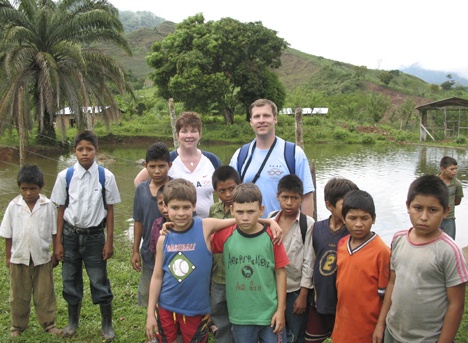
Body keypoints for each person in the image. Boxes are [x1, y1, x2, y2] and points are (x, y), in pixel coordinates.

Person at [146, 179, 283, 343]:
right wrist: (149, 313)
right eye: (175, 208)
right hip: (166, 306)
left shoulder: (205, 225)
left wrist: (269, 221)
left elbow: (240, 219)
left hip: (196, 309)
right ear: (165, 207)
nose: (181, 213)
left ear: (194, 206)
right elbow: (157, 276)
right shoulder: (164, 238)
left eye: (186, 207)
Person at [373, 175, 468, 343]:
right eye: (418, 208)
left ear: (446, 211)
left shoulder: (449, 251)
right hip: (393, 332)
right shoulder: (399, 239)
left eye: (432, 210)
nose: (424, 217)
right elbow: (393, 283)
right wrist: (381, 324)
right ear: (408, 207)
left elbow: (456, 304)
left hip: (428, 338)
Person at [51, 130, 121, 340]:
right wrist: (58, 243)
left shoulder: (105, 176)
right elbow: (61, 210)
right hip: (70, 236)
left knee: (99, 280)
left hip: (95, 238)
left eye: (89, 149)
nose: (85, 153)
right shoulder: (65, 176)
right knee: (70, 280)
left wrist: (109, 241)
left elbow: (110, 210)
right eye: (80, 149)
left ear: (97, 151)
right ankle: (73, 322)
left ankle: (106, 325)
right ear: (74, 151)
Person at [212, 183, 290, 343]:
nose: (245, 217)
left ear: (261, 210)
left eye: (251, 212)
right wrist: (169, 230)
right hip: (241, 316)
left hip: (270, 314)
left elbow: (280, 272)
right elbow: (200, 233)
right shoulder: (225, 236)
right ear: (232, 210)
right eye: (240, 212)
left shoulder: (272, 236)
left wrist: (281, 310)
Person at [0, 165, 61, 337]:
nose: (28, 193)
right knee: (18, 295)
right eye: (24, 189)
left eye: (32, 189)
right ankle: (17, 326)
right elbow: (7, 234)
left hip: (42, 257)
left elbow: (55, 232)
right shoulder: (13, 206)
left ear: (40, 187)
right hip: (18, 258)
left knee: (45, 293)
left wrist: (56, 251)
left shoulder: (48, 205)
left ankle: (48, 324)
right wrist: (8, 257)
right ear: (19, 188)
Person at [229, 99, 315, 217]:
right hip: (250, 231)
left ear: (275, 119)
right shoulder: (240, 155)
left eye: (266, 116)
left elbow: (307, 195)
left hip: (285, 231)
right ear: (251, 121)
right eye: (257, 116)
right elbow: (229, 195)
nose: (261, 120)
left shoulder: (294, 154)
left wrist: (306, 231)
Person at [134, 111, 221, 218]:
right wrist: (155, 204)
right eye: (184, 131)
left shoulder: (212, 160)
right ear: (177, 135)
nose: (189, 136)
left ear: (200, 134)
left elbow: (223, 187)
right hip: (176, 226)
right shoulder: (168, 160)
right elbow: (139, 181)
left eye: (193, 131)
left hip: (208, 226)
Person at [331, 190, 390, 343]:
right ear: (344, 219)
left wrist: (380, 325)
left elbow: (386, 296)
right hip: (343, 323)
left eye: (364, 218)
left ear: (374, 219)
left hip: (367, 328)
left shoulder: (381, 252)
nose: (358, 224)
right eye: (352, 218)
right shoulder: (342, 243)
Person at [305, 178, 358, 343]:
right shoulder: (316, 228)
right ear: (329, 205)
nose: (351, 210)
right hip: (318, 303)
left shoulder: (355, 233)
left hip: (344, 306)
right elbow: (308, 261)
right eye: (345, 205)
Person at [268, 174, 314, 343]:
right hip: (272, 289)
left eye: (294, 198)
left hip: (295, 290)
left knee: (295, 333)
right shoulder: (271, 219)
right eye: (284, 197)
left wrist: (303, 294)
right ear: (277, 196)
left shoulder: (307, 224)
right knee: (275, 329)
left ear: (301, 198)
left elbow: (309, 260)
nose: (289, 203)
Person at [131, 142, 172, 307]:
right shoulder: (141, 189)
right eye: (152, 166)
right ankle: (152, 323)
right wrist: (135, 250)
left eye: (161, 166)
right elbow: (138, 221)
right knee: (148, 293)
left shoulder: (176, 188)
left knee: (170, 290)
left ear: (169, 165)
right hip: (149, 251)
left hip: (173, 250)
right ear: (145, 166)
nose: (157, 171)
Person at [209, 165, 242, 343]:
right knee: (219, 311)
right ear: (215, 191)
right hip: (219, 274)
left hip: (240, 275)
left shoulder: (247, 209)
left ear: (240, 185)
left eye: (232, 189)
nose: (228, 194)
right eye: (222, 191)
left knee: (241, 313)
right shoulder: (214, 211)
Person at [437, 156, 464, 239]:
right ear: (442, 168)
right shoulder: (433, 182)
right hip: (434, 218)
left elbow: (457, 202)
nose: (454, 172)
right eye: (451, 169)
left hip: (449, 219)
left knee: (450, 245)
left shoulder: (457, 184)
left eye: (456, 169)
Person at [149, 185, 169, 254]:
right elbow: (155, 252)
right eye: (160, 203)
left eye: (167, 203)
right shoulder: (156, 224)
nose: (164, 208)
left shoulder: (184, 225)